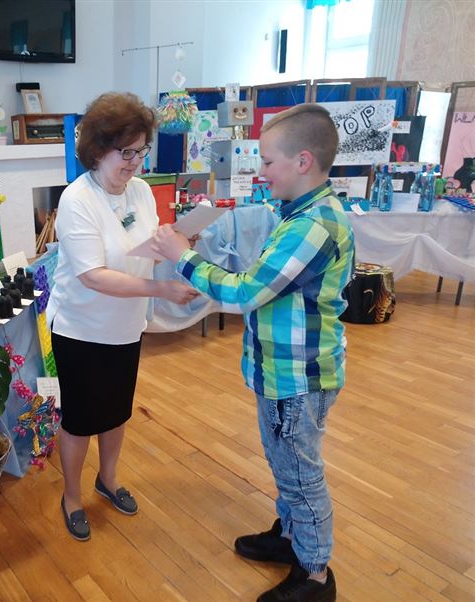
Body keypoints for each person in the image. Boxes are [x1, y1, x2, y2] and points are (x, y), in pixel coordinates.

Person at [152, 103, 354, 602]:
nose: (260, 171)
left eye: (267, 161)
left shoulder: (313, 227)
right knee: (285, 464)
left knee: (301, 475)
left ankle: (315, 575)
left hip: (298, 378)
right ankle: (291, 537)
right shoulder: (298, 216)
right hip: (281, 372)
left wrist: (183, 257)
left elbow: (246, 292)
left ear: (303, 161)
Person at [48, 92, 199, 542]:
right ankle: (71, 496)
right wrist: (161, 289)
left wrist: (177, 245)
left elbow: (145, 246)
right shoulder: (77, 199)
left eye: (141, 151)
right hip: (82, 328)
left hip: (126, 325)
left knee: (116, 412)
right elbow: (93, 275)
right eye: (126, 152)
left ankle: (108, 479)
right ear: (98, 150)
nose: (135, 162)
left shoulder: (141, 191)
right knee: (80, 420)